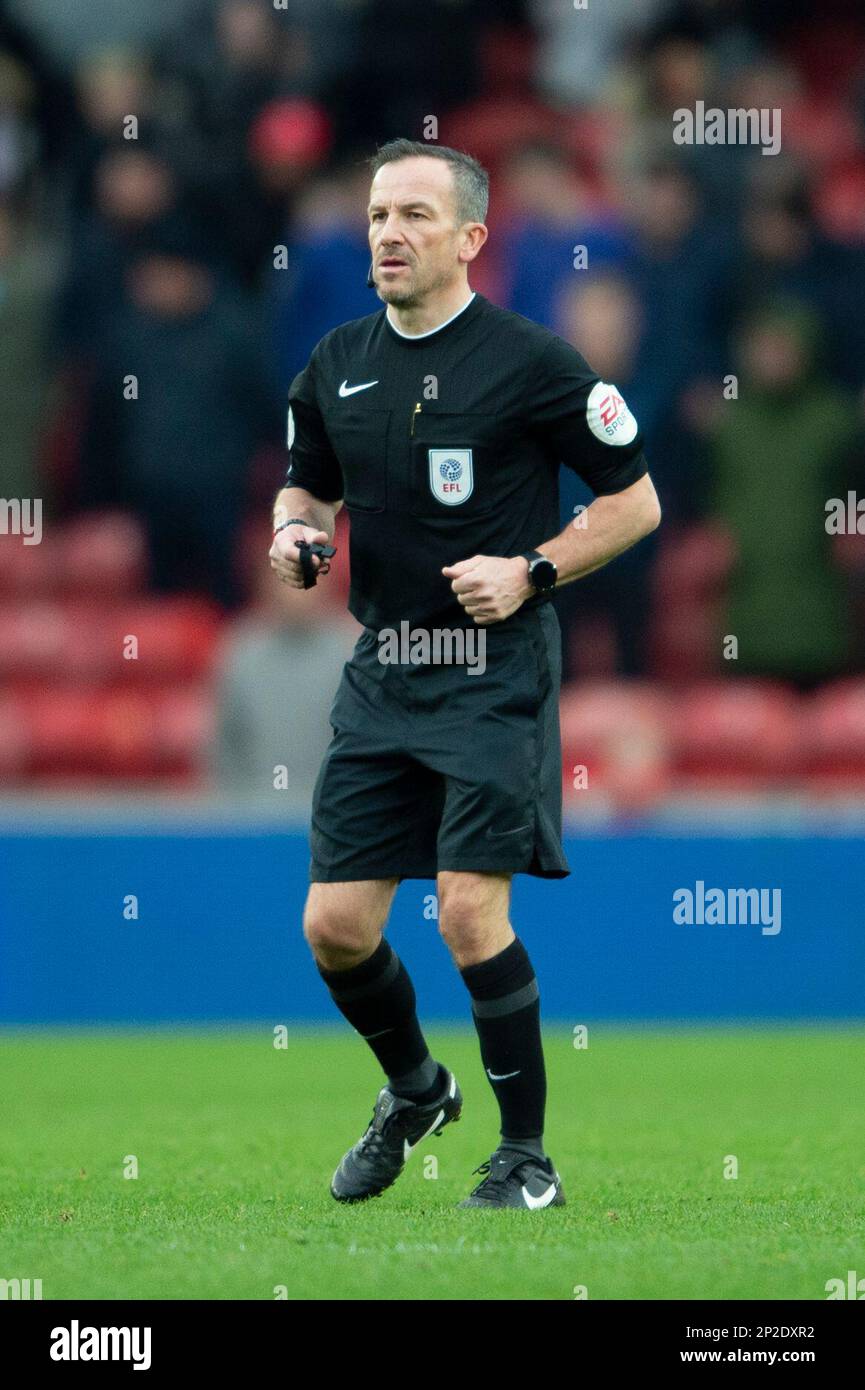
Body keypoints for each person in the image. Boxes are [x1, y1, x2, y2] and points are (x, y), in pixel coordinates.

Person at [269, 140, 660, 1209]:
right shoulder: (334, 361)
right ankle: (415, 1088)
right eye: (378, 214)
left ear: (470, 240)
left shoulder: (533, 363)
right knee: (334, 926)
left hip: (494, 670)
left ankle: (526, 1159)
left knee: (465, 913)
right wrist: (295, 537)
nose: (388, 234)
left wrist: (531, 568)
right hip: (384, 667)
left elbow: (635, 503)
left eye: (414, 216)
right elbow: (305, 493)